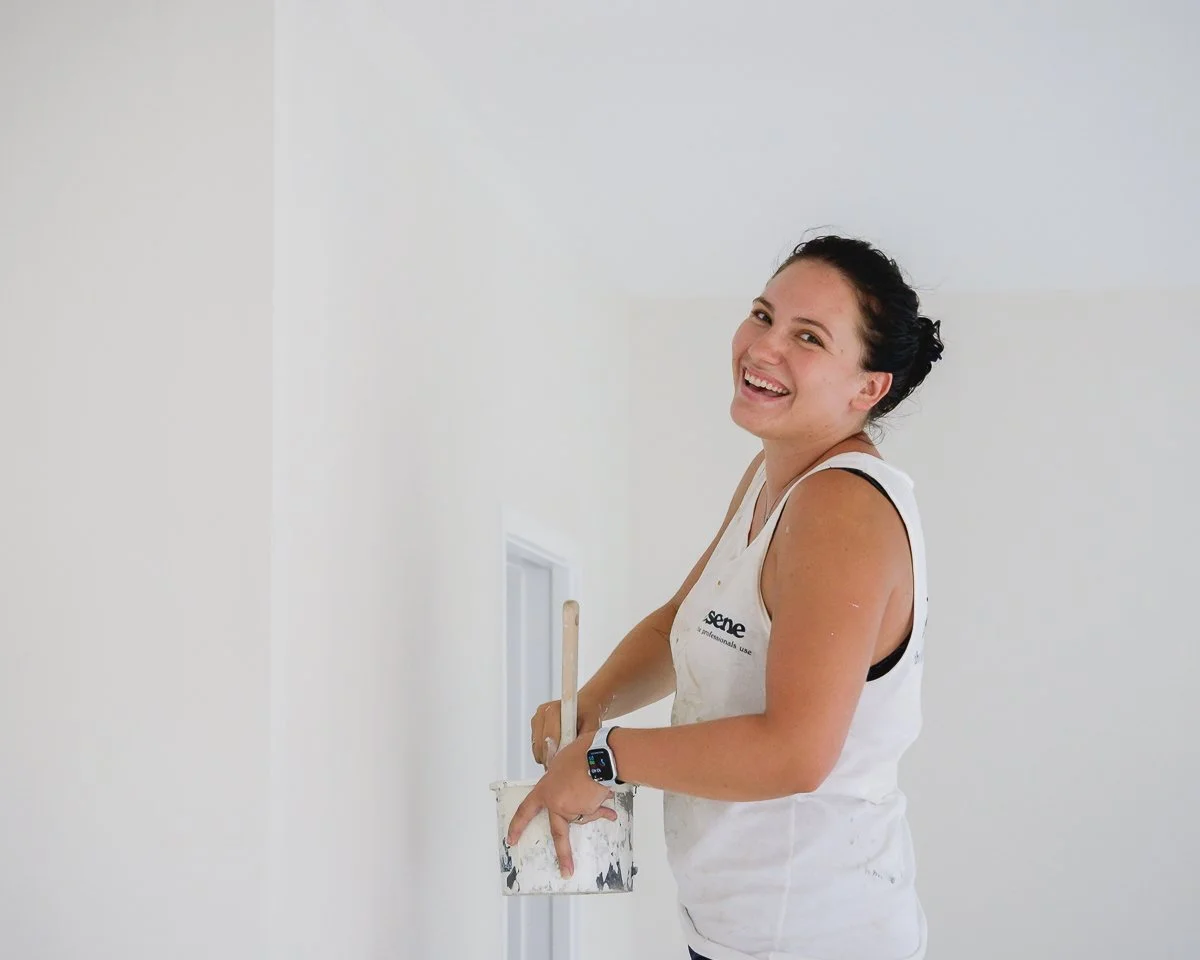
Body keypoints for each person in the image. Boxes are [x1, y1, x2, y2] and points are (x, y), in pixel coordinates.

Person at [506, 235, 945, 960]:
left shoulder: (840, 508)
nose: (764, 347)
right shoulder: (775, 478)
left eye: (809, 337)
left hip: (815, 938)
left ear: (868, 388)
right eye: (763, 315)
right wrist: (591, 705)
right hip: (739, 930)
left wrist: (602, 758)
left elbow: (795, 753)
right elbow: (681, 627)